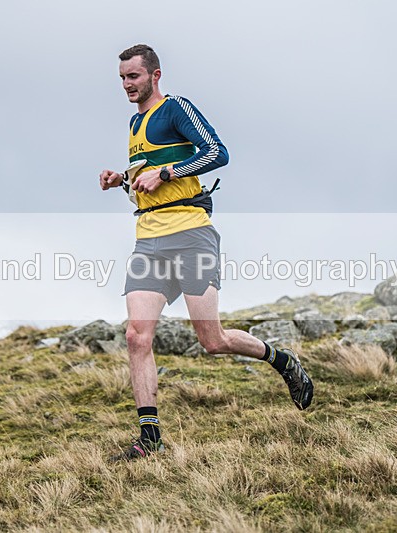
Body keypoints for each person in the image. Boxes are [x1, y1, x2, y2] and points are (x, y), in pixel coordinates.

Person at [99, 44, 313, 461]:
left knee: (211, 340)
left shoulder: (176, 108)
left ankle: (282, 360)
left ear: (155, 75)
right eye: (122, 78)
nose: (127, 85)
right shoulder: (134, 122)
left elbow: (217, 152)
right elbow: (148, 176)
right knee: (136, 336)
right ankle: (150, 439)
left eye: (134, 77)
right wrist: (121, 179)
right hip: (148, 239)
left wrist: (166, 172)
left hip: (190, 234)